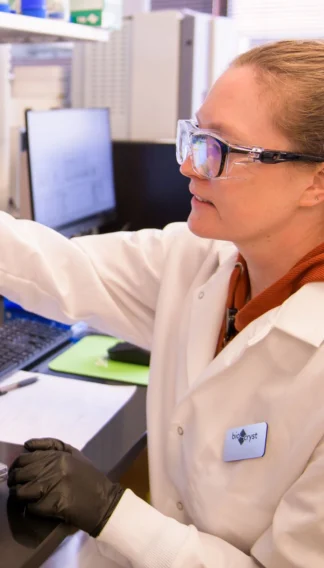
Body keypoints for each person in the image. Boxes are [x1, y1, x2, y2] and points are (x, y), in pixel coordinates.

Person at [5, 39, 324, 567]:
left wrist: (112, 512)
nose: (190, 166)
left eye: (223, 149)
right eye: (195, 137)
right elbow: (55, 266)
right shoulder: (202, 259)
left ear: (315, 181)